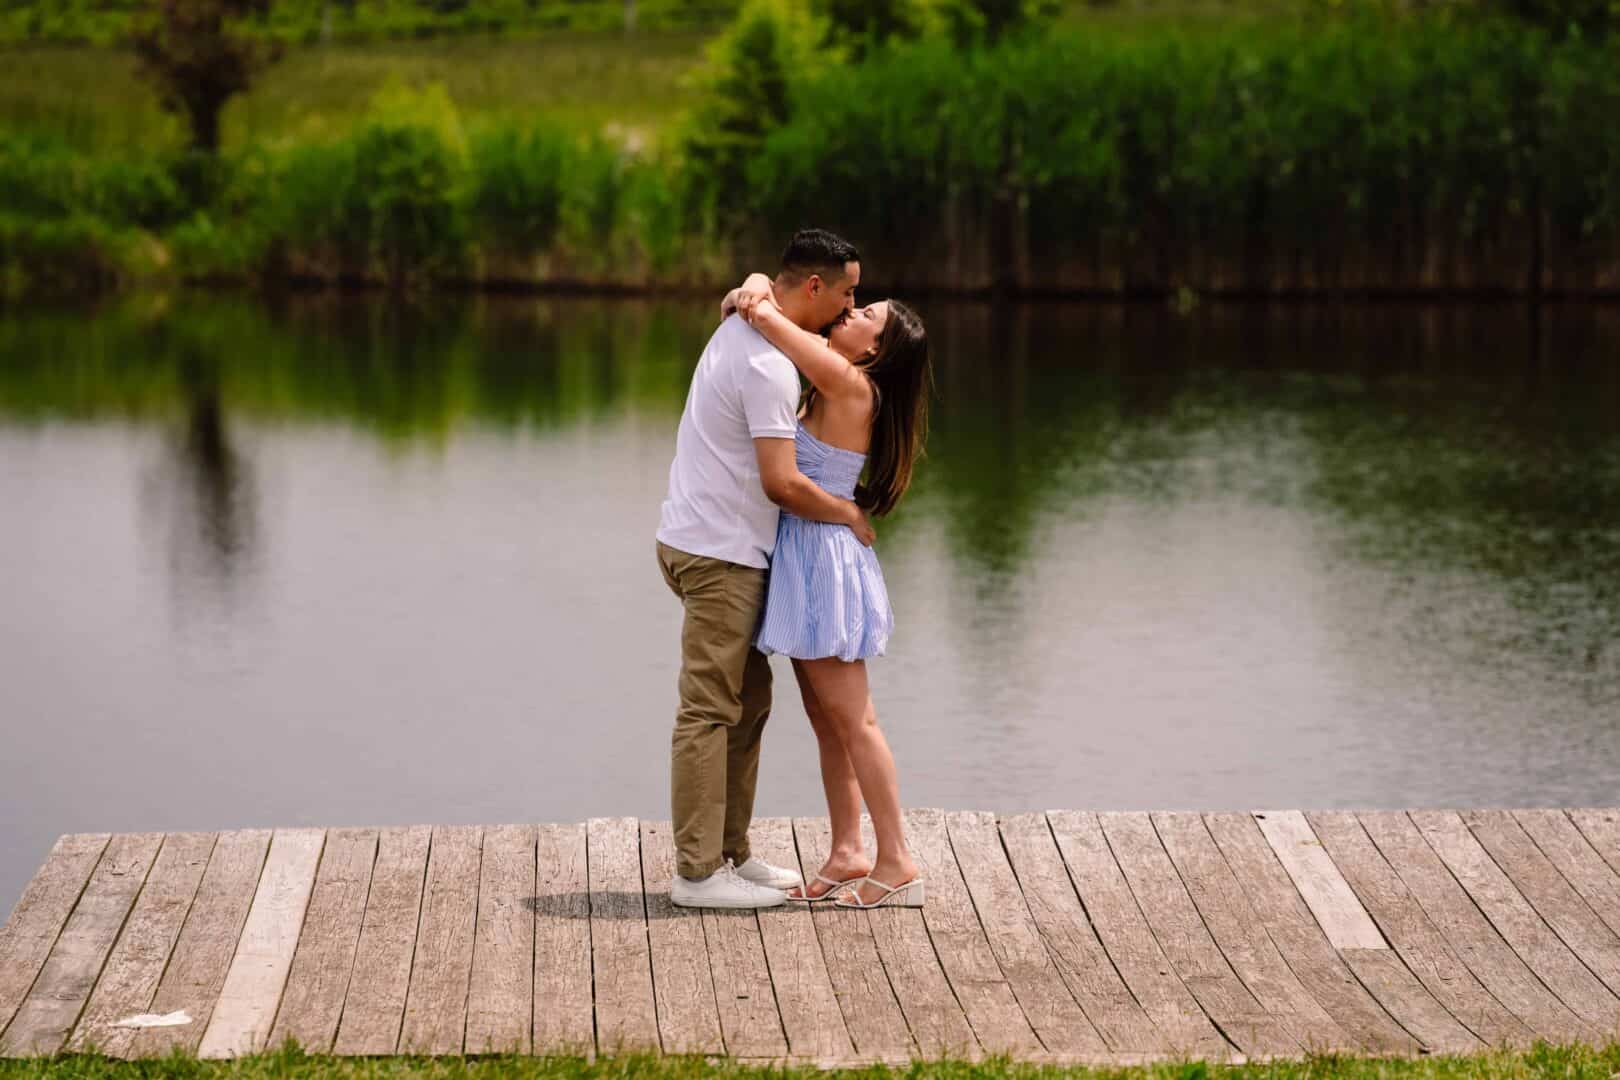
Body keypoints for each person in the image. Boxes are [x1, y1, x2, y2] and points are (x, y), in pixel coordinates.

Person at [655, 228, 873, 909]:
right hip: (719, 554)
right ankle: (696, 875)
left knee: (749, 704)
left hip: (717, 545)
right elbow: (781, 483)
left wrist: (753, 287)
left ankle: (731, 853)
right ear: (815, 286)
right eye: (848, 293)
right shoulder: (770, 364)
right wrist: (848, 513)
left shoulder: (753, 324)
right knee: (709, 708)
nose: (850, 305)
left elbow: (756, 287)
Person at [721, 267, 933, 909]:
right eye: (858, 303)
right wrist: (757, 279)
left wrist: (756, 294)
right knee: (828, 721)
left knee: (856, 720)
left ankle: (895, 859)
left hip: (822, 562)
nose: (853, 311)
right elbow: (769, 306)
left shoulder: (848, 381)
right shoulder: (837, 378)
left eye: (868, 314)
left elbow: (768, 318)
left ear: (874, 351)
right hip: (810, 556)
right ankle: (848, 851)